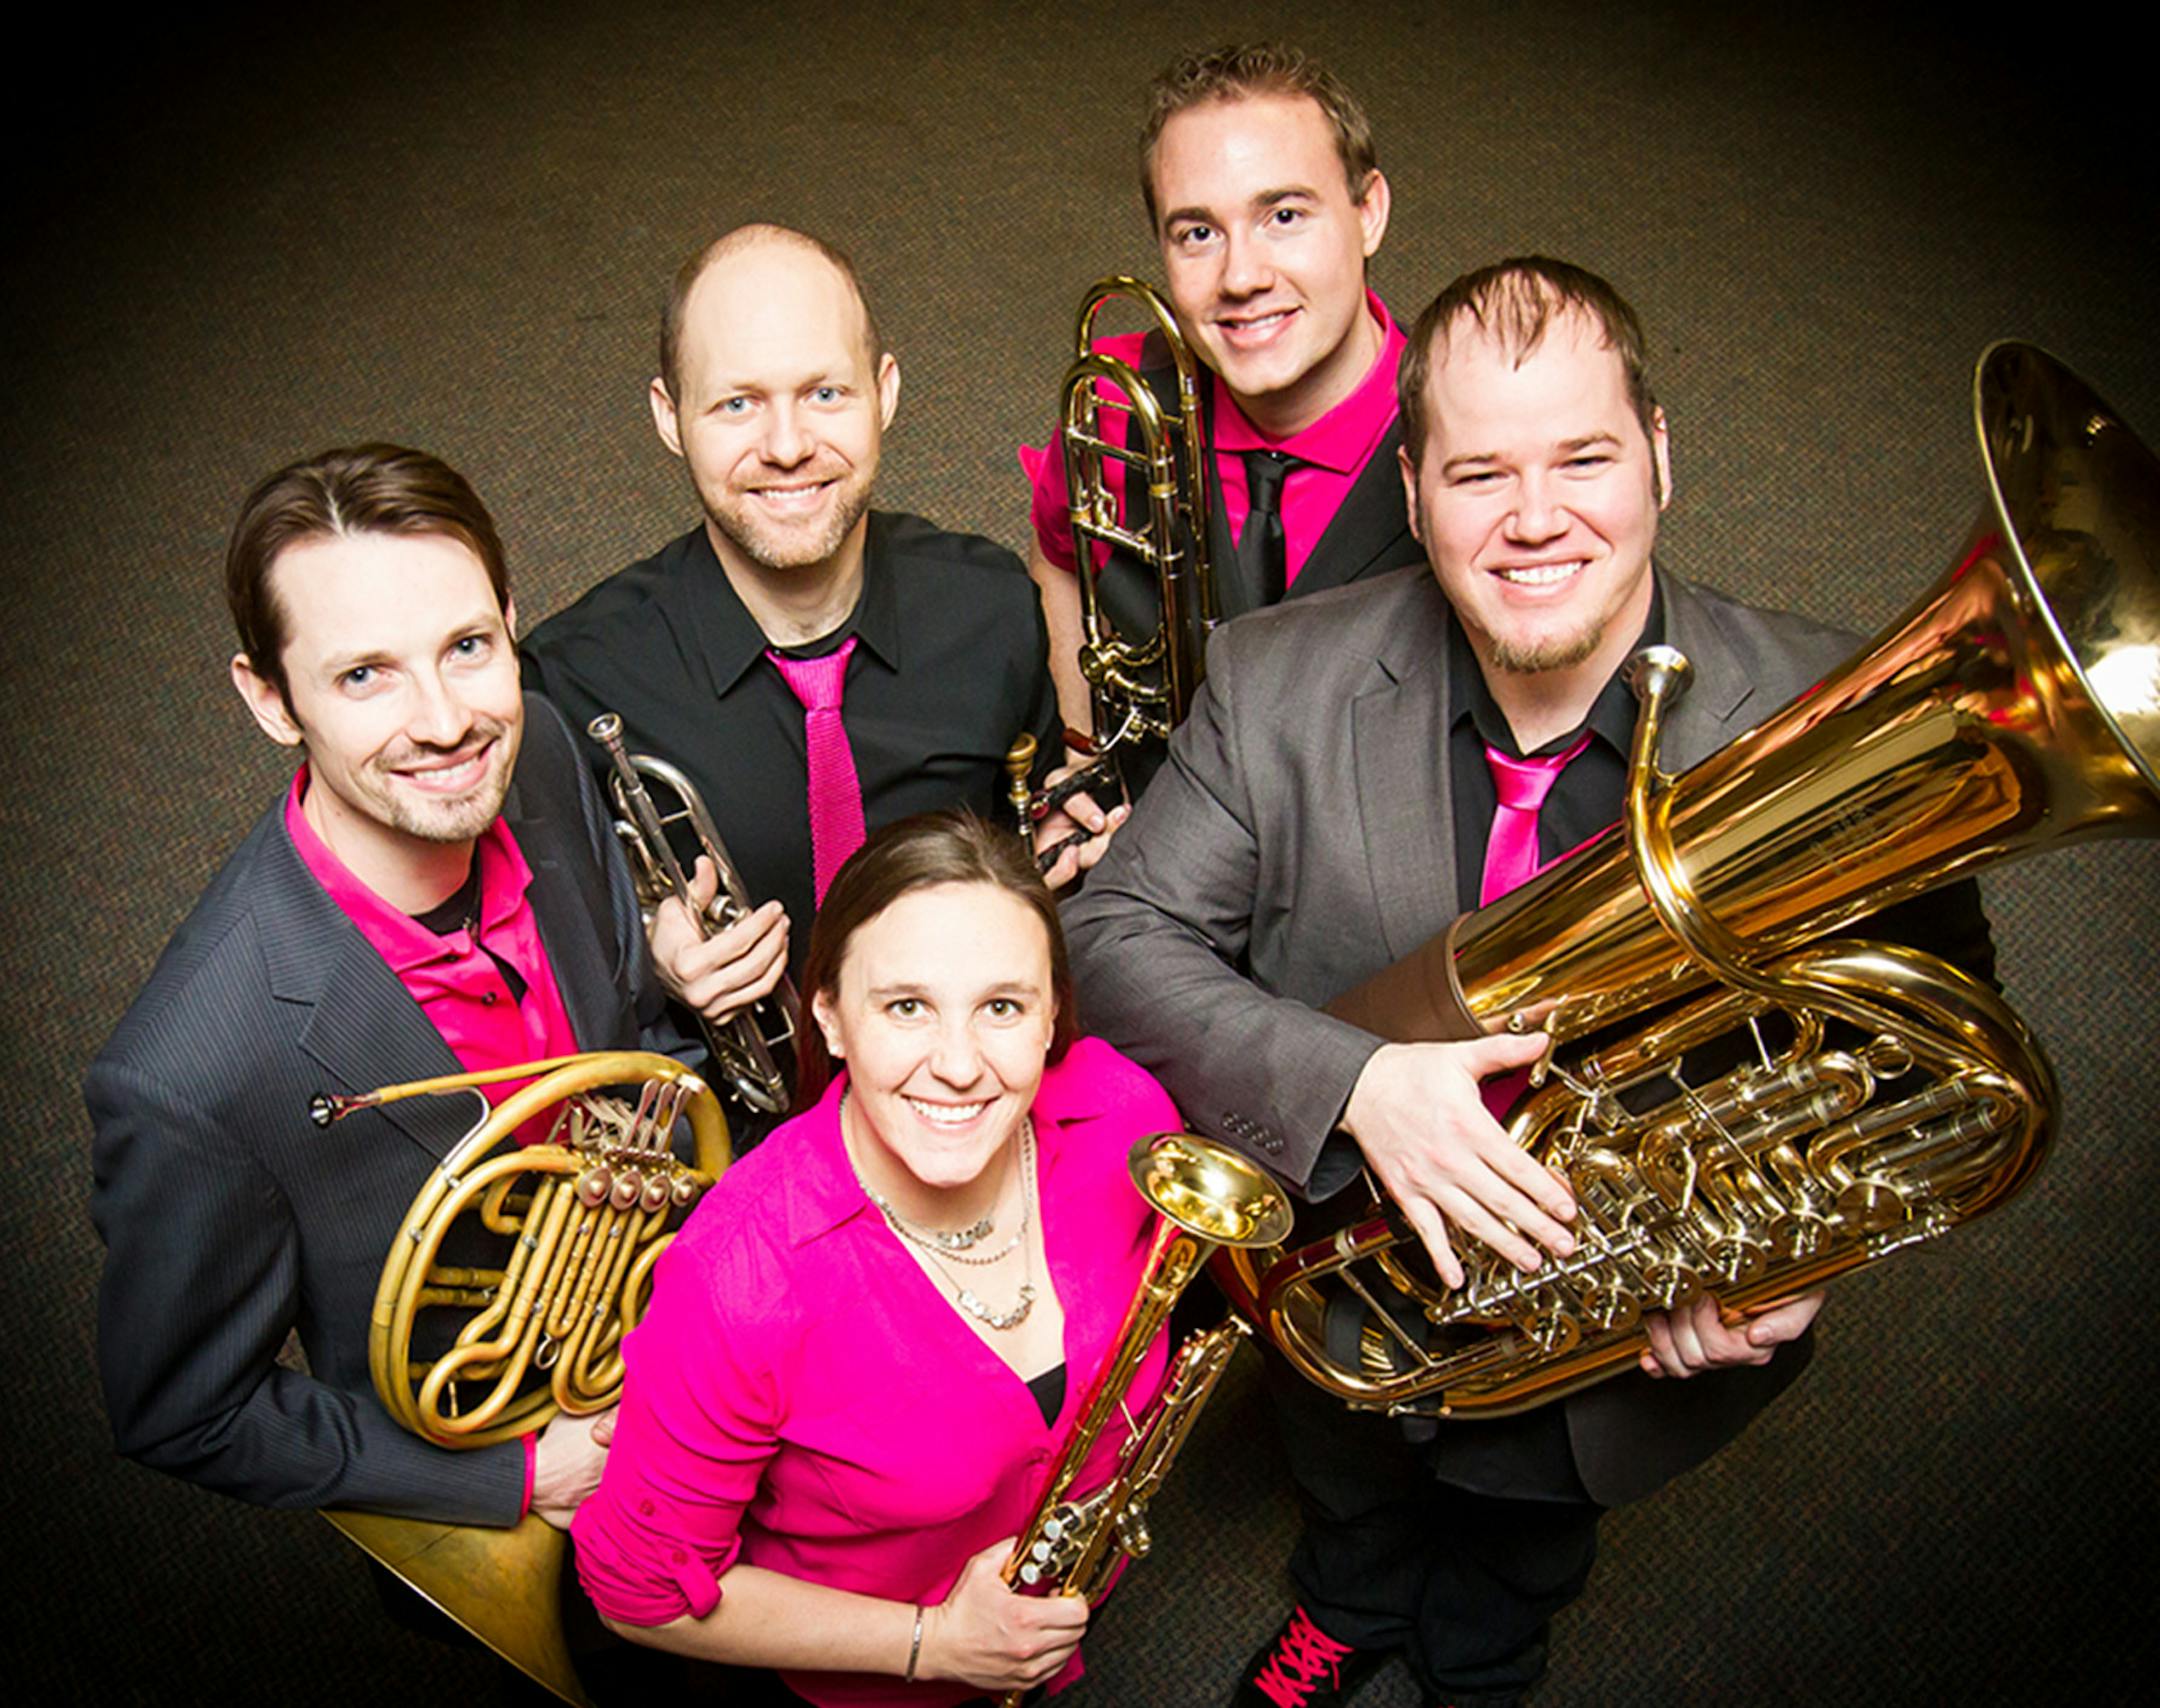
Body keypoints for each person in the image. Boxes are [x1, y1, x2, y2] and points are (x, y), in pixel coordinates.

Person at [1062, 259, 1993, 1708]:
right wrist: (1355, 1087)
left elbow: (1934, 1038)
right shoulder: (1272, 682)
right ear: (1416, 493)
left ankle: (1491, 1644)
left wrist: (1790, 1264)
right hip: (1338, 1265)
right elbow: (1111, 938)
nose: (1538, 517)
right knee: (1350, 1481)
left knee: (1531, 1532)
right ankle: (1349, 1602)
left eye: (1586, 458)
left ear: (1663, 458)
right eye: (1480, 471)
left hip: (1624, 1335)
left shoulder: (1830, 719)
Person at [88, 447, 683, 1608]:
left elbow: (640, 1037)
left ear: (511, 622)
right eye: (366, 674)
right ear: (270, 700)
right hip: (510, 1458)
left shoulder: (545, 749)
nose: (449, 721)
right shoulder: (189, 1072)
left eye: (468, 647)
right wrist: (518, 1475)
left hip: (676, 1346)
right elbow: (185, 1408)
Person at [572, 810, 1185, 1707]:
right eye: (906, 1007)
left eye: (1002, 1007)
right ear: (830, 1015)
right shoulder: (741, 1278)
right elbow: (639, 1593)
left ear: (1054, 1011)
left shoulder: (1124, 1122)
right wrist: (936, 1644)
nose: (960, 1065)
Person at [524, 225, 1113, 1136]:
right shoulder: (574, 680)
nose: (789, 446)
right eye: (736, 406)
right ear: (667, 416)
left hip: (960, 1098)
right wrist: (652, 957)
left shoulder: (992, 606)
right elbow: (542, 959)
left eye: (825, 393)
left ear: (884, 392)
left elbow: (1023, 828)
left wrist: (1062, 856)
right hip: (737, 1139)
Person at [1019, 42, 1428, 775]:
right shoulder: (1115, 401)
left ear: (1369, 212)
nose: (1241, 276)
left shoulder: (1466, 428)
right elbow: (1057, 559)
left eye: (1284, 215)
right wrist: (1084, 753)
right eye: (1198, 233)